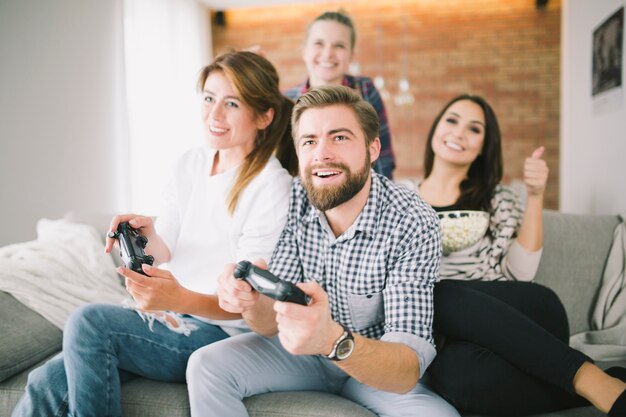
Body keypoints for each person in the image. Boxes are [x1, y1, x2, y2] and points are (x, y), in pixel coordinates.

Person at [11, 50, 297, 417]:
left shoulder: (270, 186)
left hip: (221, 335)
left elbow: (244, 304)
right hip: (171, 318)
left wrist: (176, 299)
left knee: (90, 322)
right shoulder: (190, 163)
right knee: (45, 382)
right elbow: (165, 248)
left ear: (264, 116)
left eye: (232, 103)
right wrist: (145, 235)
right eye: (209, 98)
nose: (214, 114)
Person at [185, 85, 460, 417]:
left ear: (373, 149)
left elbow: (406, 366)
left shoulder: (412, 220)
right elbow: (269, 323)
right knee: (206, 364)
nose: (322, 154)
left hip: (372, 364)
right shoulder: (292, 198)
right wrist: (250, 299)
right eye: (310, 141)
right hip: (299, 355)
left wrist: (331, 339)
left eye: (340, 138)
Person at [417, 94, 626, 416]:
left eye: (474, 129)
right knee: (456, 377)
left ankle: (589, 377)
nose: (459, 133)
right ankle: (608, 384)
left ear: (484, 146)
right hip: (456, 342)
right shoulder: (402, 200)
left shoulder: (497, 199)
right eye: (452, 120)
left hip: (526, 313)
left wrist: (535, 195)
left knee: (439, 292)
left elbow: (521, 272)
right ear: (435, 128)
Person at [284, 10, 396, 180]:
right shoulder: (286, 100)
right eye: (319, 43)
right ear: (304, 51)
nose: (328, 53)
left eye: (339, 45)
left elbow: (383, 158)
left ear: (351, 56)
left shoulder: (365, 90)